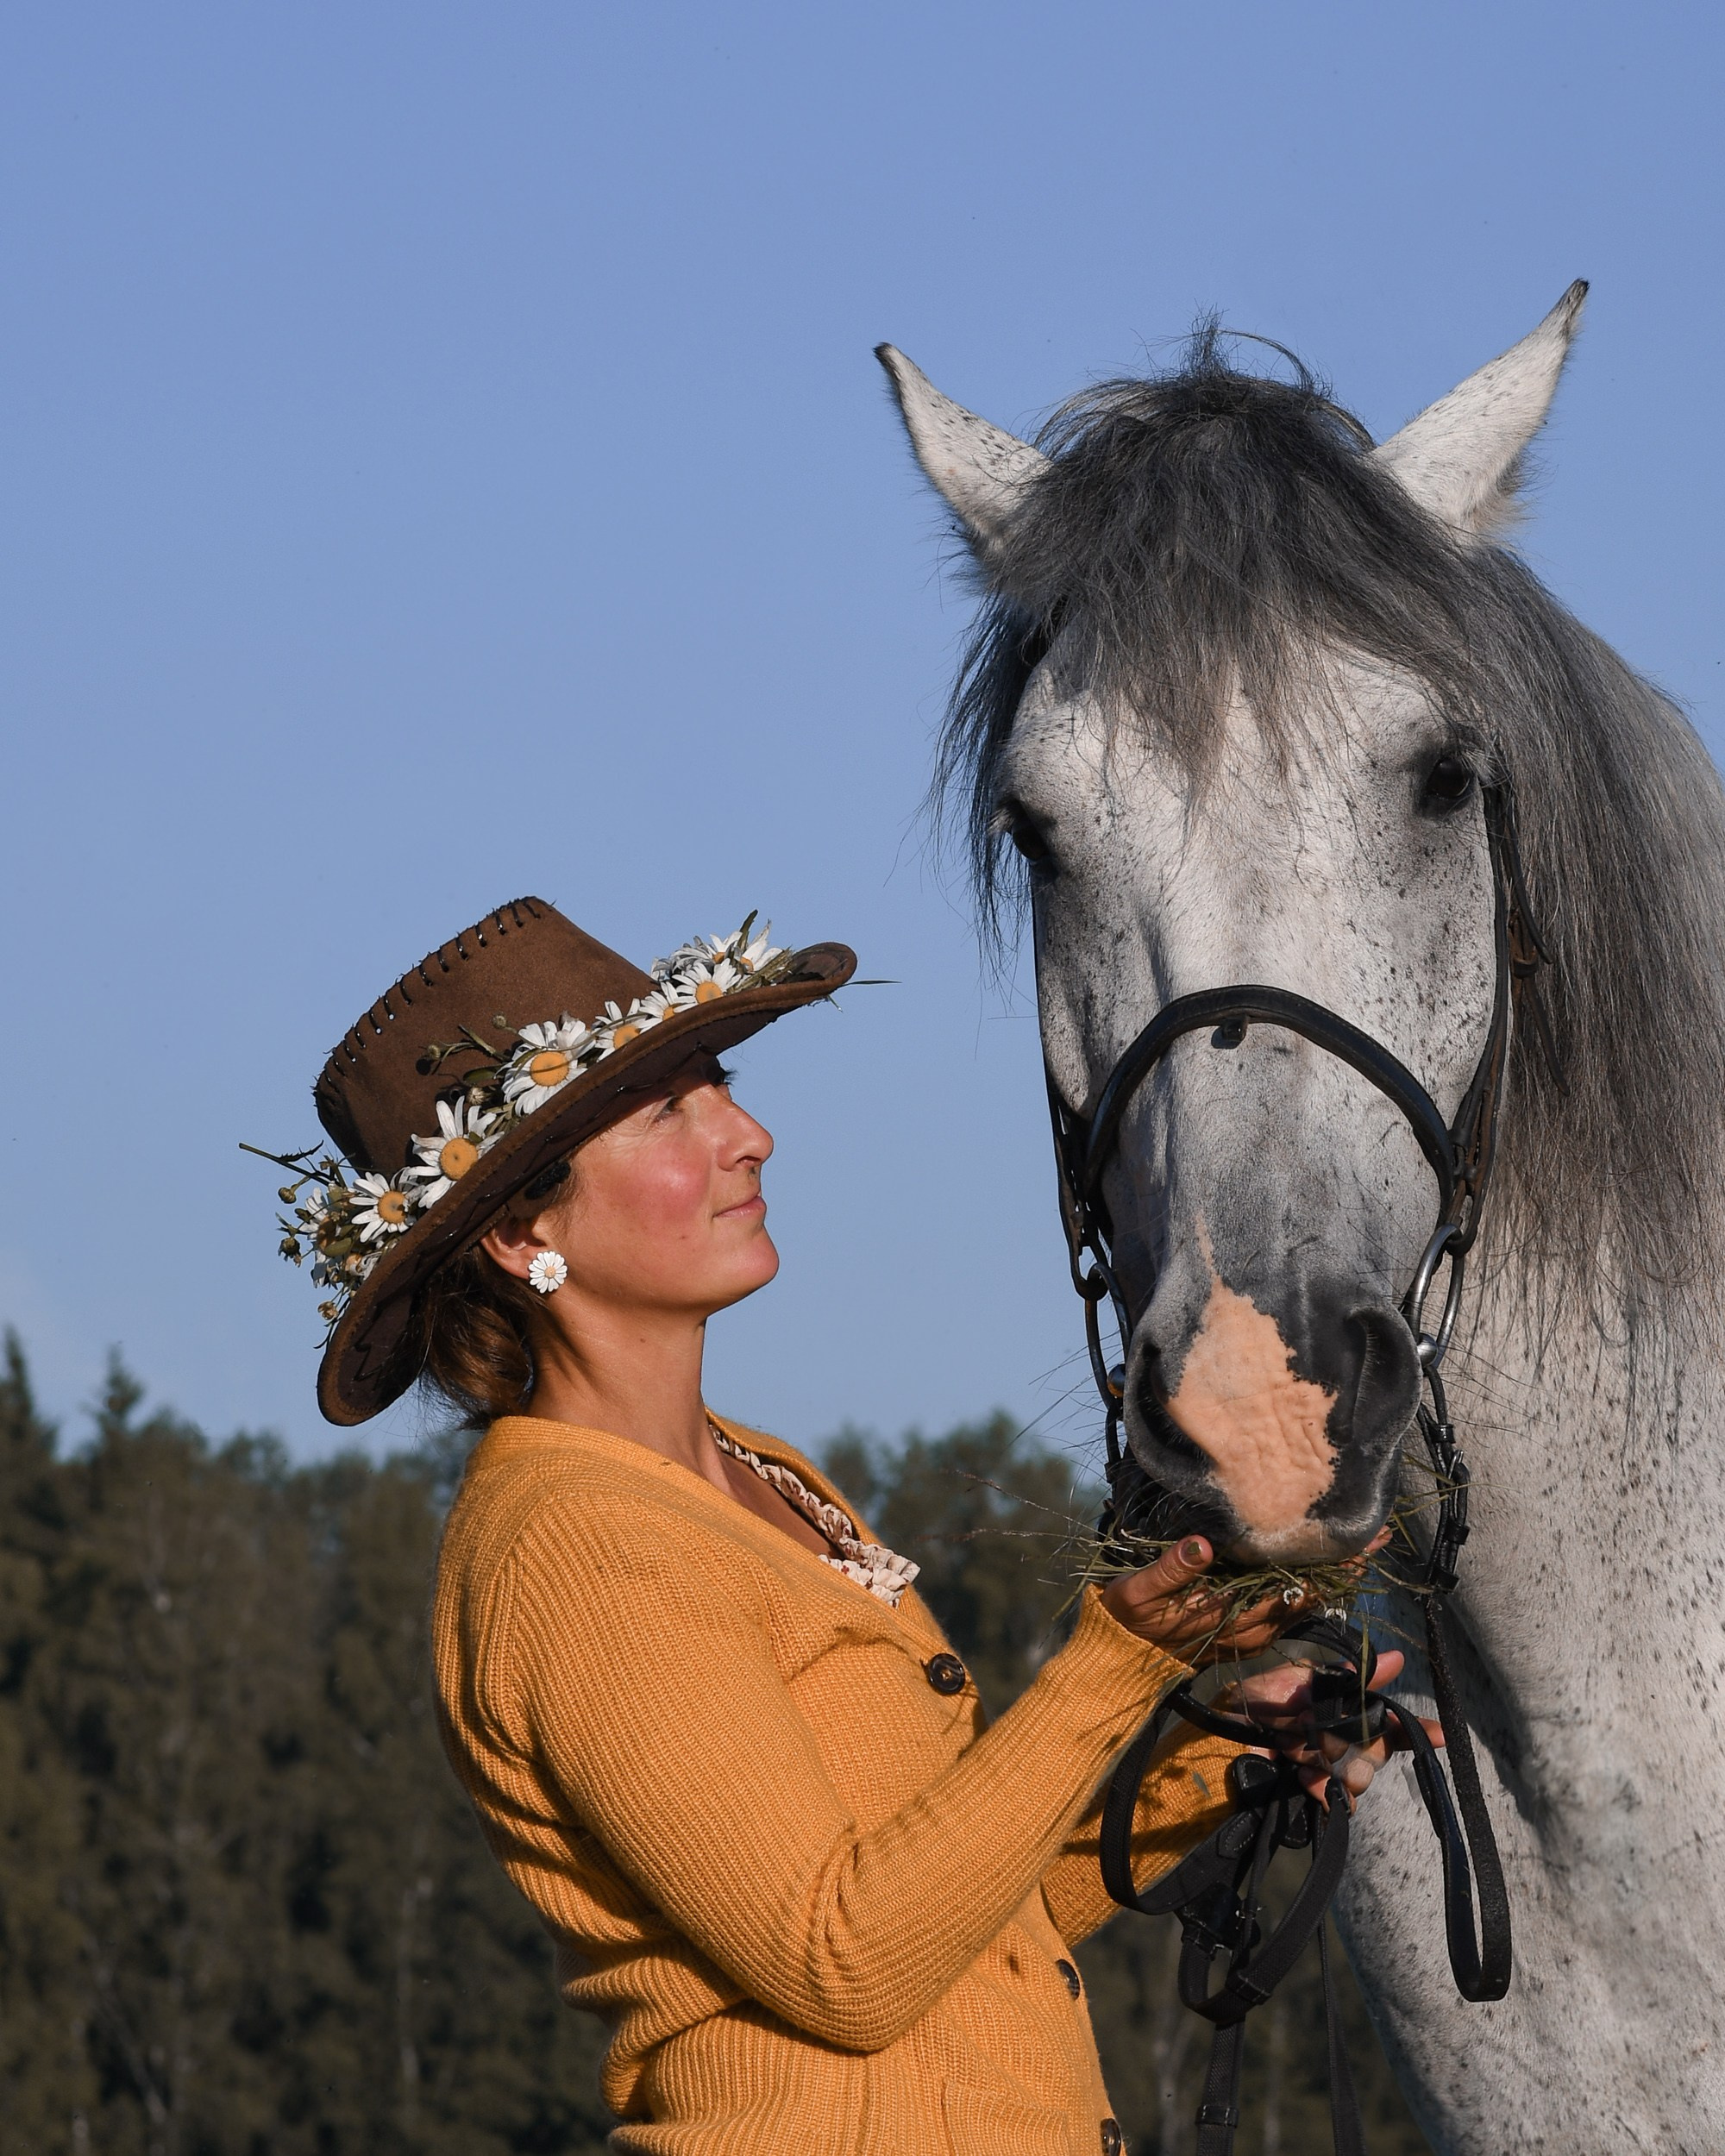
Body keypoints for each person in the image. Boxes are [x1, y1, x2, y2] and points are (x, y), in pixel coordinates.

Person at [260, 895, 1427, 2156]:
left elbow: (959, 1916)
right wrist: (1113, 1666)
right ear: (518, 1231)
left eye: (722, 1086)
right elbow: (846, 1965)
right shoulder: (574, 1549)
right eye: (668, 1112)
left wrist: (1218, 1766)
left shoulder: (768, 1474)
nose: (749, 1135)